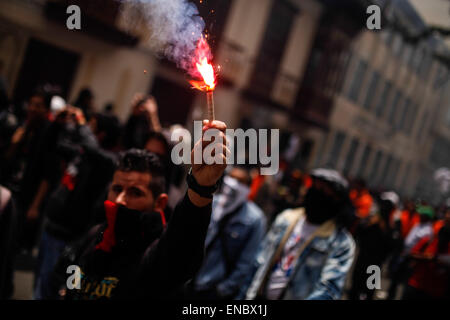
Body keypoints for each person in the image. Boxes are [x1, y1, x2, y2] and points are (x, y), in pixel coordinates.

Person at [43, 119, 228, 300]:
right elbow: (63, 278)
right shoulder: (96, 235)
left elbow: (180, 249)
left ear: (160, 203)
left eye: (135, 193)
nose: (121, 200)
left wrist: (200, 188)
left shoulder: (154, 250)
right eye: (117, 190)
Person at [33, 111, 121, 299]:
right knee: (39, 285)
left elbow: (91, 148)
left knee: (49, 291)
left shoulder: (106, 160)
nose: (87, 126)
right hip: (51, 228)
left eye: (92, 124)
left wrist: (80, 124)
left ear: (102, 133)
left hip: (68, 236)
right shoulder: (84, 150)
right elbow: (56, 145)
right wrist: (58, 124)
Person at [238, 168, 355, 300]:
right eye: (314, 187)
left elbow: (329, 290)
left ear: (336, 199)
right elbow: (258, 263)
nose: (316, 194)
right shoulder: (286, 219)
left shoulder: (340, 242)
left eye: (323, 191)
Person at [187, 166, 266, 299]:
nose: (233, 184)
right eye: (231, 178)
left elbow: (246, 262)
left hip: (214, 290)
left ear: (248, 188)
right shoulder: (210, 202)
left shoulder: (255, 219)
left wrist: (222, 291)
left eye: (240, 182)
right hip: (190, 281)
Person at [349, 192, 396, 300]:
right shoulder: (371, 220)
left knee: (369, 291)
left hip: (375, 265)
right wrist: (369, 223)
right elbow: (358, 233)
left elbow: (391, 246)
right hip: (362, 259)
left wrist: (385, 230)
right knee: (355, 289)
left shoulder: (391, 226)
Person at [387, 204, 435, 300]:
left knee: (406, 284)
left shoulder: (428, 231)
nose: (420, 216)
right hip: (405, 254)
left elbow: (423, 247)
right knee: (395, 278)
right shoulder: (418, 224)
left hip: (412, 259)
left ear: (427, 217)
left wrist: (414, 258)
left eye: (422, 215)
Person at [402, 207, 450, 300]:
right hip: (416, 284)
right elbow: (412, 254)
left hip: (435, 291)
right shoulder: (429, 240)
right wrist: (425, 257)